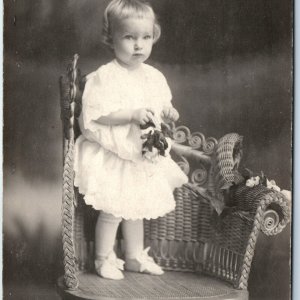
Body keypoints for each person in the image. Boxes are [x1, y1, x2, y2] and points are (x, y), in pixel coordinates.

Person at [74, 0, 188, 280]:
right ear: (110, 38)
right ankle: (103, 258)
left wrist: (167, 111)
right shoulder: (105, 77)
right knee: (114, 208)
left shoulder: (153, 76)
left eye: (145, 37)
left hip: (142, 154)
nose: (139, 45)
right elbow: (97, 115)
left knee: (135, 209)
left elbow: (160, 105)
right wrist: (131, 114)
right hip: (115, 154)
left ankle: (135, 256)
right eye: (129, 37)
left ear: (153, 37)